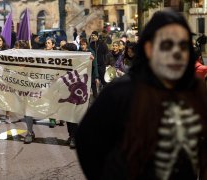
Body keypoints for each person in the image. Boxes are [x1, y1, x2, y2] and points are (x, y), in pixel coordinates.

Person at [76, 10, 207, 180]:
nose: (177, 52)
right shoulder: (121, 92)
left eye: (183, 45)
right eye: (168, 44)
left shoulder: (195, 91)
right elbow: (88, 142)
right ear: (149, 48)